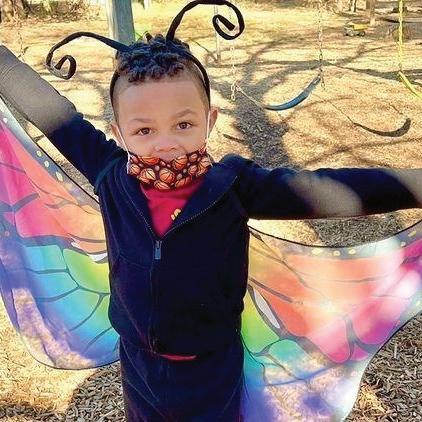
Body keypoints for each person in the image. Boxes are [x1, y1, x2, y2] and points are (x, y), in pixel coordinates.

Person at [0, 1, 421, 420]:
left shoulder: (234, 187)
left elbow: (325, 190)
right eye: (144, 130)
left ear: (210, 119)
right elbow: (54, 115)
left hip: (211, 368)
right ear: (119, 132)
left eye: (183, 124)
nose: (166, 142)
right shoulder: (110, 175)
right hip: (139, 365)